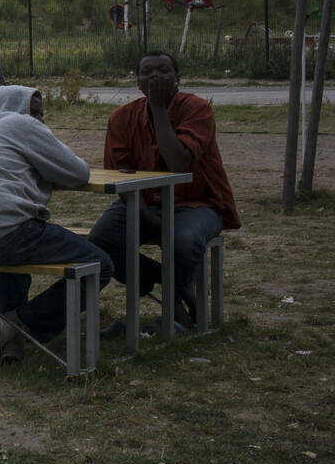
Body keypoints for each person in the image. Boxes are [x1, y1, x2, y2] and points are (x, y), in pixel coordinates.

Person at [0, 86, 114, 365]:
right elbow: (78, 172)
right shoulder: (21, 124)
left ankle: (11, 345)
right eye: (35, 112)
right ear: (18, 108)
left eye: (42, 113)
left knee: (12, 249)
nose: (40, 120)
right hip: (2, 232)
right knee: (100, 265)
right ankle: (16, 325)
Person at [87, 51, 239, 329]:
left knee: (183, 241)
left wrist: (158, 109)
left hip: (196, 202)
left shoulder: (197, 109)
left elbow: (179, 162)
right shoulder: (121, 118)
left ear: (177, 78)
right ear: (138, 82)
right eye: (147, 72)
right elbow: (119, 178)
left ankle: (172, 301)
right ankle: (178, 288)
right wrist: (148, 217)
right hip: (142, 201)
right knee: (99, 242)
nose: (155, 76)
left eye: (163, 70)